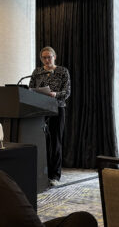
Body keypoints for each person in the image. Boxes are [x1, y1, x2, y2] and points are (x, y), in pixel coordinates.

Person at [29, 46, 71, 186]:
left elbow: (67, 92)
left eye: (49, 57)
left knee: (55, 142)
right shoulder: (37, 72)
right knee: (43, 142)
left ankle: (55, 175)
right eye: (44, 57)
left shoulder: (62, 71)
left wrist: (55, 94)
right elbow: (30, 89)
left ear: (55, 57)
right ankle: (42, 173)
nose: (47, 60)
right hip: (40, 111)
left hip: (57, 109)